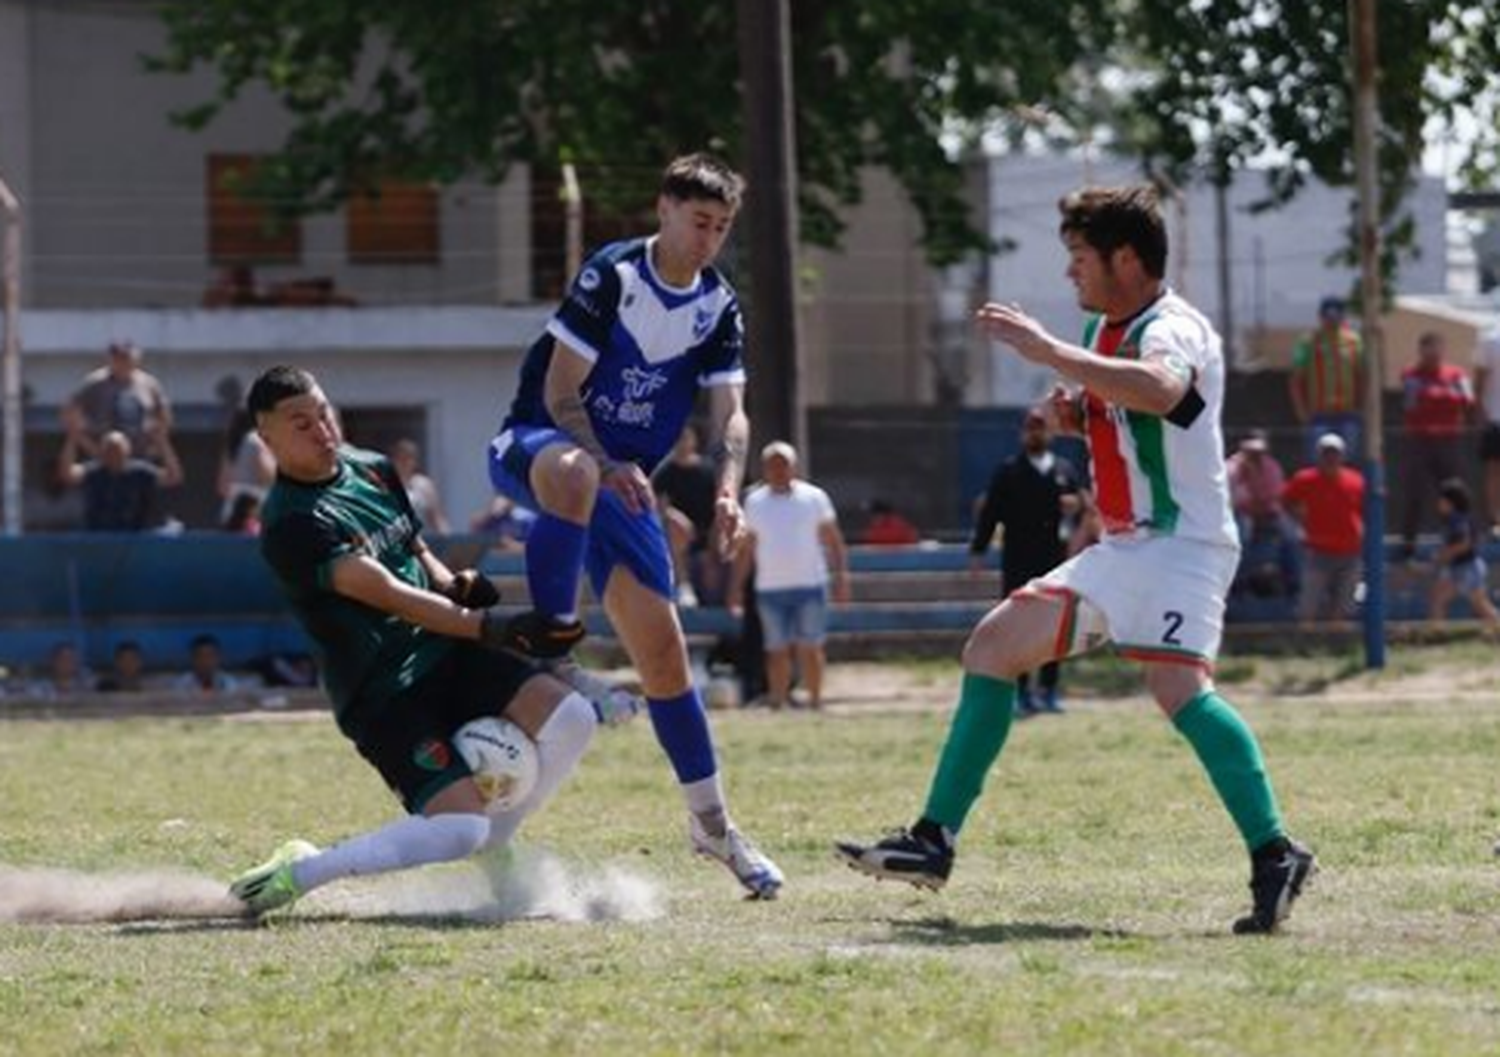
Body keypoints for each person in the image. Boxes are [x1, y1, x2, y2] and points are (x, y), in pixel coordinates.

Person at [837, 185, 1316, 935]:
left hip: (1181, 544)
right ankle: (933, 840)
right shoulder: (1106, 326)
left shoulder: (1173, 326)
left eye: (1079, 257)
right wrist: (1074, 413)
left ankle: (1275, 852)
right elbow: (1126, 413)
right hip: (1124, 546)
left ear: (1125, 258)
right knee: (992, 648)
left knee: (1179, 690)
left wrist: (1051, 351)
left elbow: (1165, 392)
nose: (1071, 274)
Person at [485, 152, 783, 898]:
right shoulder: (611, 276)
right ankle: (554, 653)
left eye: (721, 227)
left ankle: (712, 824)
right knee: (580, 473)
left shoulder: (718, 307)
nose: (709, 238)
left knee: (666, 658)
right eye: (698, 221)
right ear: (664, 210)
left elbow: (732, 413)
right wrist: (605, 459)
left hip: (622, 484)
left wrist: (726, 488)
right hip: (538, 445)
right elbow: (558, 393)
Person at [225, 365, 622, 917]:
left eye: (324, 413)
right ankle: (302, 871)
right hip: (383, 691)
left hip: (447, 652)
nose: (322, 430)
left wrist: (453, 582)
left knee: (573, 718)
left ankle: (497, 844)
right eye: (301, 424)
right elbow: (389, 595)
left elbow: (414, 551)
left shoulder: (374, 470)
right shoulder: (293, 525)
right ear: (267, 440)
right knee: (458, 830)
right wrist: (496, 626)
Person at [967, 405, 1083, 716]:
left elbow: (1083, 511)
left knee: (1054, 626)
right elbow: (990, 514)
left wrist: (1076, 507)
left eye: (1041, 427)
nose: (1036, 433)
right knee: (1016, 626)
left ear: (1050, 433)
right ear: (1023, 434)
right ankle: (1020, 692)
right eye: (1031, 428)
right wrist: (978, 550)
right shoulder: (1008, 471)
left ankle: (1048, 689)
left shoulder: (1064, 470)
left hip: (1054, 560)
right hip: (1018, 558)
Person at [730, 441, 851, 711]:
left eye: (783, 464)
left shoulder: (814, 497)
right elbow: (747, 550)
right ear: (764, 469)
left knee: (811, 647)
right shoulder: (754, 502)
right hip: (770, 587)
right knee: (776, 649)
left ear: (794, 466)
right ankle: (778, 700)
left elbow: (834, 541)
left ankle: (816, 701)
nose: (778, 470)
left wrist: (841, 577)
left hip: (811, 584)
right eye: (772, 465)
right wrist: (736, 587)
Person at [1398, 331, 1474, 558]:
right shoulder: (1410, 374)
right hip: (1420, 442)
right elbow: (1411, 405)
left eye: (1436, 348)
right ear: (1420, 351)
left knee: (1455, 494)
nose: (1432, 354)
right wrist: (1444, 396)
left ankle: (1462, 542)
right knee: (1416, 493)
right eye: (1427, 349)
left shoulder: (1456, 374)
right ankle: (1408, 545)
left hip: (1448, 441)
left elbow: (1467, 400)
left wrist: (1434, 396)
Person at [1282, 434, 1365, 624]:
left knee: (1344, 605)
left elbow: (1366, 509)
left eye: (1335, 453)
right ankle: (1305, 645)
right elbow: (1286, 501)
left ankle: (1337, 646)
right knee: (1308, 604)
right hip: (1317, 550)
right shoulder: (1304, 479)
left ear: (1342, 456)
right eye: (1326, 453)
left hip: (1350, 551)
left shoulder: (1356, 480)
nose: (1330, 458)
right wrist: (1300, 520)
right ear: (1318, 455)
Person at [62, 340, 174, 462]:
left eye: (127, 358)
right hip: (103, 456)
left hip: (140, 455)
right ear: (111, 360)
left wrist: (157, 444)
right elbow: (70, 411)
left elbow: (164, 415)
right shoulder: (95, 383)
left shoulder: (149, 384)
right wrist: (88, 445)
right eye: (119, 358)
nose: (124, 363)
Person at [56, 426, 184, 532]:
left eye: (118, 450)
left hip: (134, 538)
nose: (114, 455)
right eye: (109, 450)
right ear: (102, 453)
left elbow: (174, 477)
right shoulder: (94, 472)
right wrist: (72, 439)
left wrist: (162, 442)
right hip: (98, 538)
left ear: (127, 451)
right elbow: (67, 475)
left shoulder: (140, 472)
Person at [653, 423, 725, 607]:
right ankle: (684, 586)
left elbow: (718, 504)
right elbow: (657, 505)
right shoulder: (665, 471)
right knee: (674, 529)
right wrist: (675, 516)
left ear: (694, 441)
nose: (681, 443)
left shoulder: (708, 470)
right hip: (679, 533)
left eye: (685, 438)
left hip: (709, 530)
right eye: (677, 439)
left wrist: (713, 539)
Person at [1225, 430, 1298, 601]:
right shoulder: (1232, 467)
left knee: (1292, 536)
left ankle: (1292, 582)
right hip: (1240, 513)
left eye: (1259, 452)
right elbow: (1237, 499)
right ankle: (1238, 583)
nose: (1256, 455)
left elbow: (1276, 494)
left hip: (1268, 511)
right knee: (1243, 537)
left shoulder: (1271, 465)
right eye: (1252, 451)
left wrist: (1264, 508)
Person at [1288, 296, 1363, 462]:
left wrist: (1362, 407)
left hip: (1348, 413)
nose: (1332, 321)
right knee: (1317, 461)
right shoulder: (1307, 342)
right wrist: (1302, 413)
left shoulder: (1354, 342)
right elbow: (1295, 380)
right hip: (1319, 414)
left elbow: (1363, 377)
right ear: (1321, 317)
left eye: (1336, 316)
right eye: (1328, 316)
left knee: (1349, 460)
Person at [1428, 477, 1500, 632]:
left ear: (1450, 502)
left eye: (1441, 500)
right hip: (1459, 569)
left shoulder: (1458, 520)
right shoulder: (1453, 520)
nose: (1438, 504)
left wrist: (1444, 555)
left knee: (1481, 606)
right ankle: (1435, 634)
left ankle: (1435, 633)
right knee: (1438, 598)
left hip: (1468, 569)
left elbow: (1464, 543)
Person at [217, 407, 276, 528]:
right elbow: (265, 475)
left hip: (231, 512)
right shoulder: (256, 440)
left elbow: (222, 487)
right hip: (255, 513)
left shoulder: (231, 446)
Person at [390, 438, 452, 536]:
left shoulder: (424, 485)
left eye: (409, 458)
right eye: (401, 458)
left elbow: (436, 518)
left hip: (422, 539)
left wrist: (448, 538)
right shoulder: (384, 485)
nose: (405, 463)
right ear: (393, 461)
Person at [1473, 325, 1500, 536]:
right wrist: (1479, 412)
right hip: (1495, 417)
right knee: (1494, 471)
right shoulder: (1490, 338)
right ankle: (1495, 520)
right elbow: (1479, 380)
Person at [172, 634, 248, 694]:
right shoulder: (181, 685)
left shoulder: (229, 683)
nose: (205, 662)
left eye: (210, 656)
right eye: (201, 657)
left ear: (218, 658)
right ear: (193, 659)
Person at [26, 642, 94, 697]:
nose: (67, 664)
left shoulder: (86, 687)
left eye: (71, 660)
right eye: (62, 659)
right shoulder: (38, 688)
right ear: (52, 661)